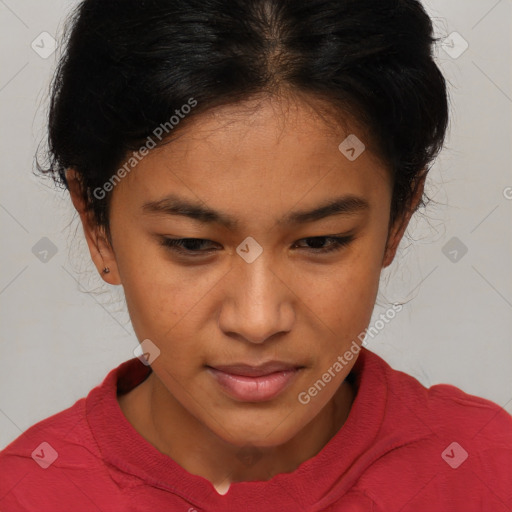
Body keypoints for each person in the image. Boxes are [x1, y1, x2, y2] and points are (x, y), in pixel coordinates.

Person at [1, 0, 511, 510]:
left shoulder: (487, 470)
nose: (258, 320)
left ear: (397, 218)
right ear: (98, 228)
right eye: (192, 244)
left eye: (320, 241)